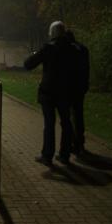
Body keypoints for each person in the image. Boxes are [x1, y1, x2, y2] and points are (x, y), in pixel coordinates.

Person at [24, 21, 77, 166]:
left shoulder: (48, 48)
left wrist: (34, 53)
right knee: (66, 123)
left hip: (49, 92)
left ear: (52, 33)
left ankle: (47, 155)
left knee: (49, 124)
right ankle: (65, 155)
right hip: (66, 92)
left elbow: (28, 64)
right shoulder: (73, 49)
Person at [66, 30, 90, 157]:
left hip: (70, 87)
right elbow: (86, 68)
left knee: (69, 116)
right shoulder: (83, 49)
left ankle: (72, 143)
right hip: (81, 87)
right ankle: (80, 141)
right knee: (78, 114)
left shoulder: (69, 50)